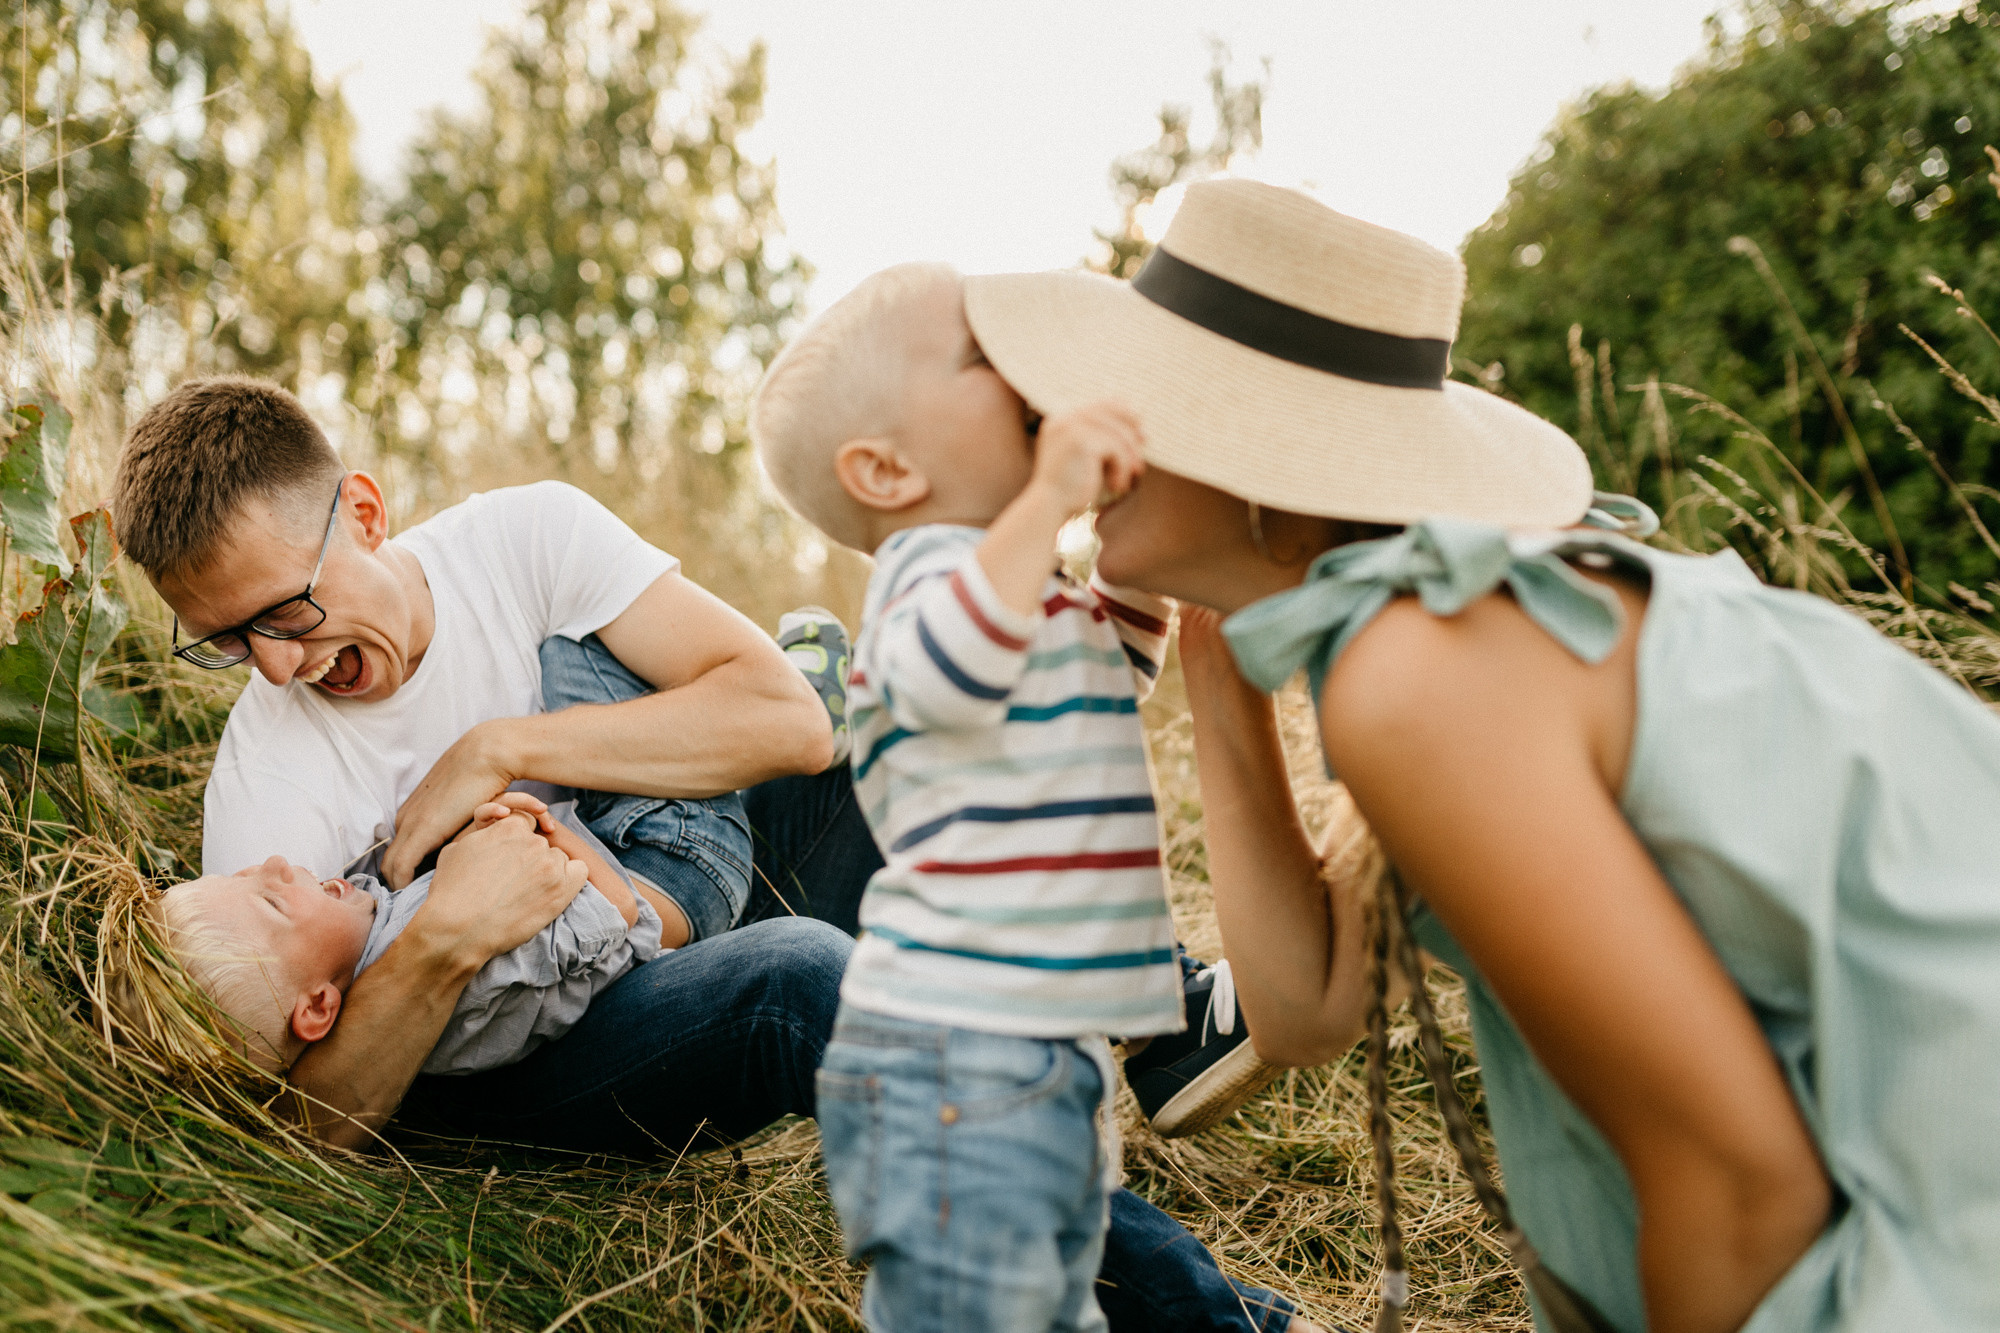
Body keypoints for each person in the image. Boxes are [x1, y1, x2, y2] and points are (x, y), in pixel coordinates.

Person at [959, 177, 2000, 1333]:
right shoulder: (1441, 626)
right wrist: (1213, 648)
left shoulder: (1423, 673)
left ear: (1255, 457)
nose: (1080, 445)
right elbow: (1301, 1004)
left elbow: (1741, 1189)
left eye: (1135, 409)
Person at [109, 376, 1320, 1333]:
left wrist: (499, 747)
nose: (274, 665)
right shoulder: (267, 784)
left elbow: (784, 723)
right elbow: (299, 1128)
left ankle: (1158, 1025)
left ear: (363, 515)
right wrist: (443, 936)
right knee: (802, 979)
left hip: (655, 877)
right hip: (519, 1055)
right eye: (225, 643)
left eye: (287, 612)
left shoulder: (526, 539)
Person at [750, 261, 1185, 1332]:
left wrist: (1137, 543)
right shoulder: (925, 576)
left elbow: (1115, 655)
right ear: (887, 471)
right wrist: (1049, 497)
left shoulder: (1017, 586)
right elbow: (947, 669)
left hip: (1045, 1050)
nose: (1031, 375)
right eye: (989, 358)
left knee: (1047, 1304)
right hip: (953, 1051)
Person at [124, 793, 661, 1076]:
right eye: (271, 901)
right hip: (653, 898)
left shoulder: (369, 936)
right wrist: (535, 822)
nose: (274, 864)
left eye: (243, 876)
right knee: (574, 650)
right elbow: (623, 912)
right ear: (315, 1007)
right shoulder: (458, 974)